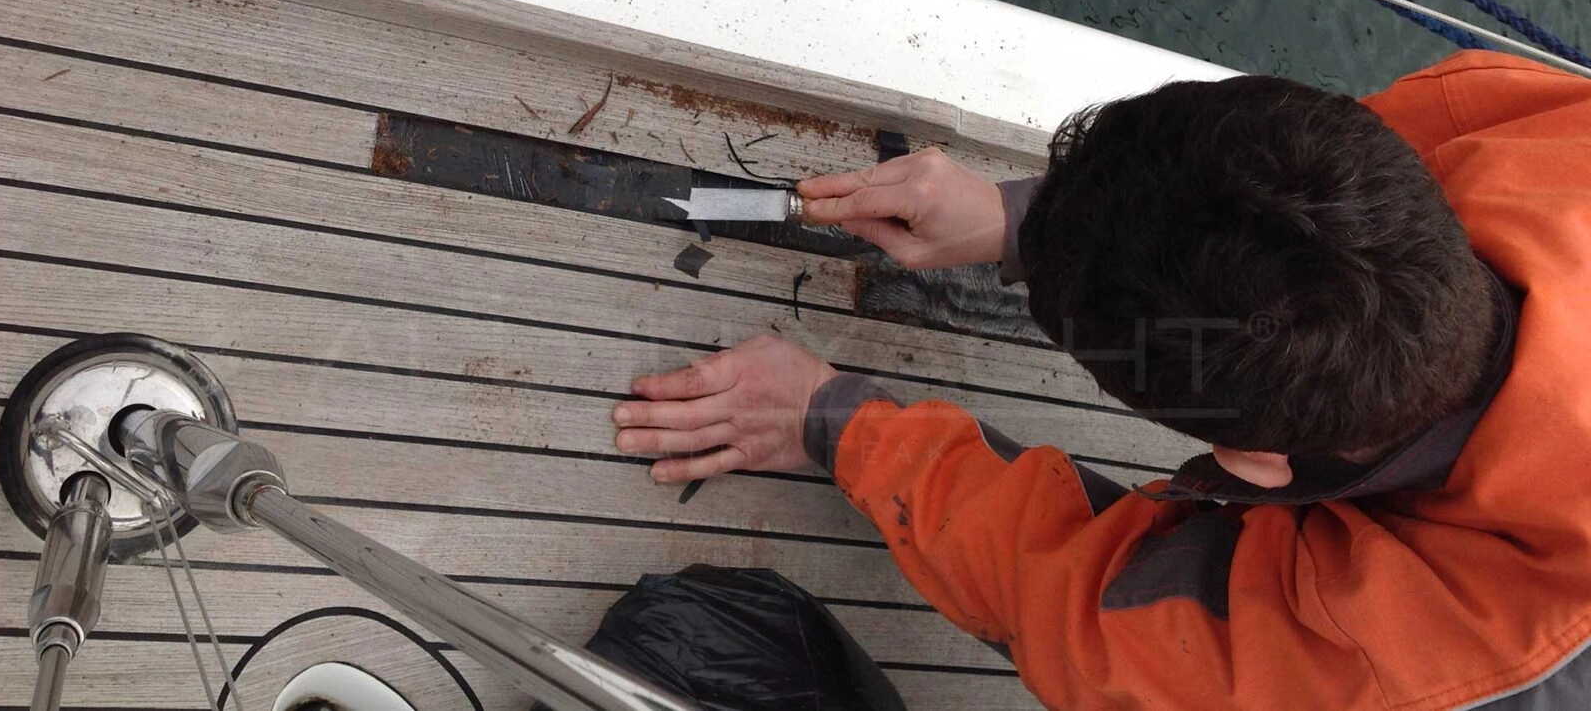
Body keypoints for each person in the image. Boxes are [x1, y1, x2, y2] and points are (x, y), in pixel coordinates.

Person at [610, 50, 1591, 709]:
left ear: (1254, 461)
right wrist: (1026, 218)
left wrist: (833, 422)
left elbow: (1088, 614)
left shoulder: (1394, 662)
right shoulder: (1543, 134)